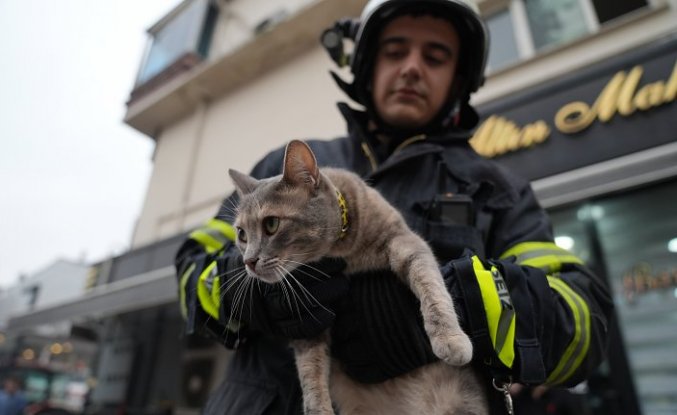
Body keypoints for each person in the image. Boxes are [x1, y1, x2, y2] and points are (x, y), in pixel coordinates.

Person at [174, 0, 613, 413]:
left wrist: (457, 305)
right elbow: (191, 268)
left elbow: (583, 325)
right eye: (395, 51)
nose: (411, 68)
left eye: (435, 56)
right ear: (366, 63)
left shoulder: (497, 190)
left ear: (459, 77)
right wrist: (250, 294)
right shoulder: (278, 172)